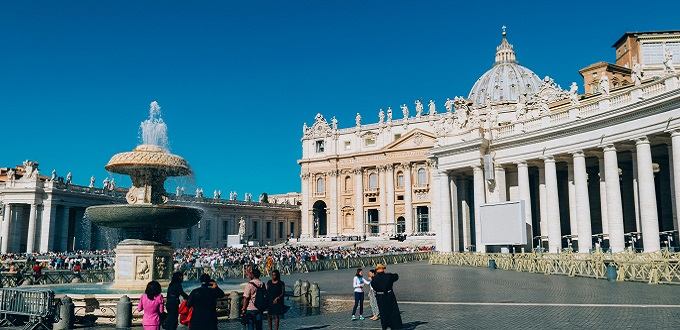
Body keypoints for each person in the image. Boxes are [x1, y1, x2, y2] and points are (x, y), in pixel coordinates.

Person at [370, 264, 402, 330]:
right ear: (383, 269)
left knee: (383, 312)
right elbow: (396, 276)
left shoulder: (374, 279)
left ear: (376, 270)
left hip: (380, 297)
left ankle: (384, 326)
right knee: (392, 311)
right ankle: (394, 326)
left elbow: (374, 287)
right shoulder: (389, 276)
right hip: (389, 295)